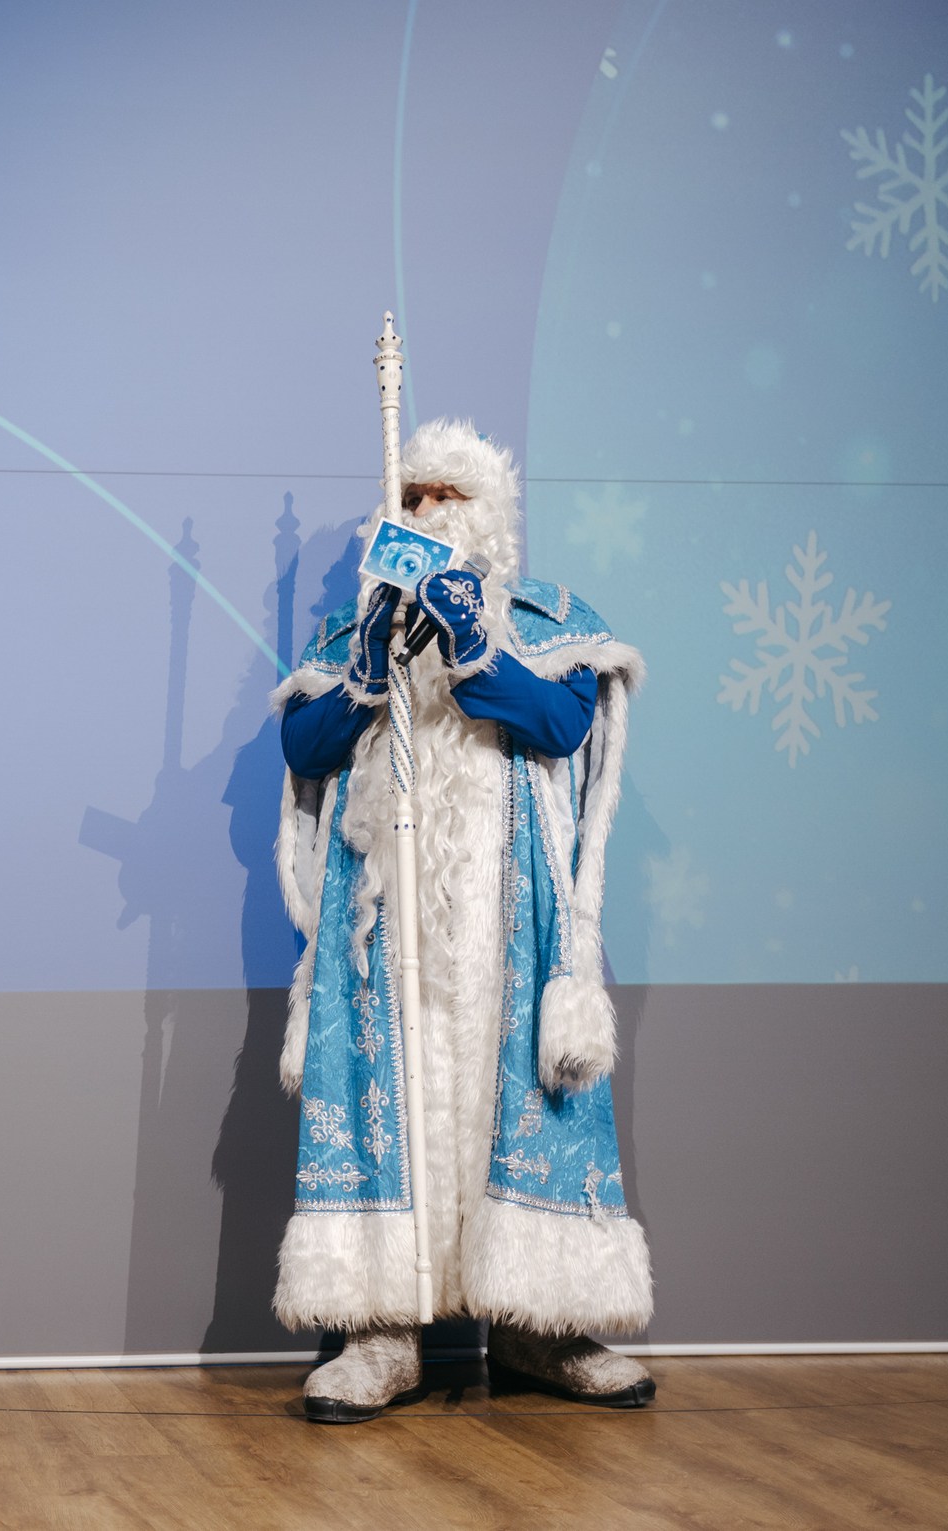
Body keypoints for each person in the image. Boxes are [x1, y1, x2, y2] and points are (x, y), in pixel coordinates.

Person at [271, 418, 655, 1422]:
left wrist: (475, 646)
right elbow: (304, 749)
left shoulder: (542, 617)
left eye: (452, 494)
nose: (431, 510)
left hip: (506, 912)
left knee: (521, 1089)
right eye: (415, 495)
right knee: (382, 1097)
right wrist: (367, 671)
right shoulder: (355, 628)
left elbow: (560, 724)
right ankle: (380, 1330)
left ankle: (538, 1327)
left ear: (492, 511)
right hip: (383, 913)